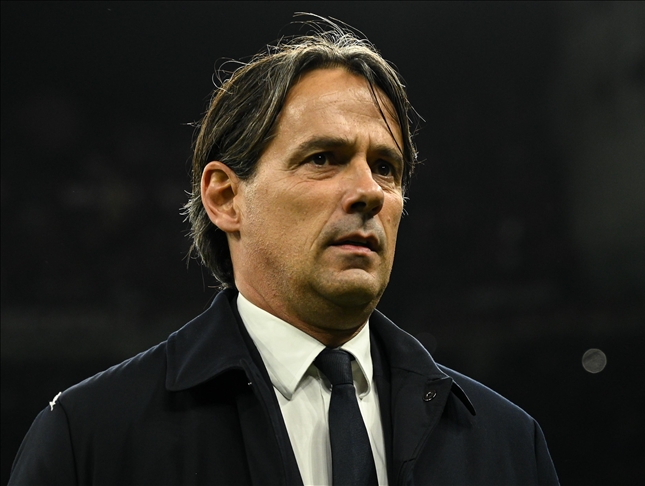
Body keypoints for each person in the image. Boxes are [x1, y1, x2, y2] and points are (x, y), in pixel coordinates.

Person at [9, 22, 559, 486]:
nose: (369, 191)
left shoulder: (508, 445)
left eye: (385, 167)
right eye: (323, 158)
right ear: (226, 198)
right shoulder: (91, 440)